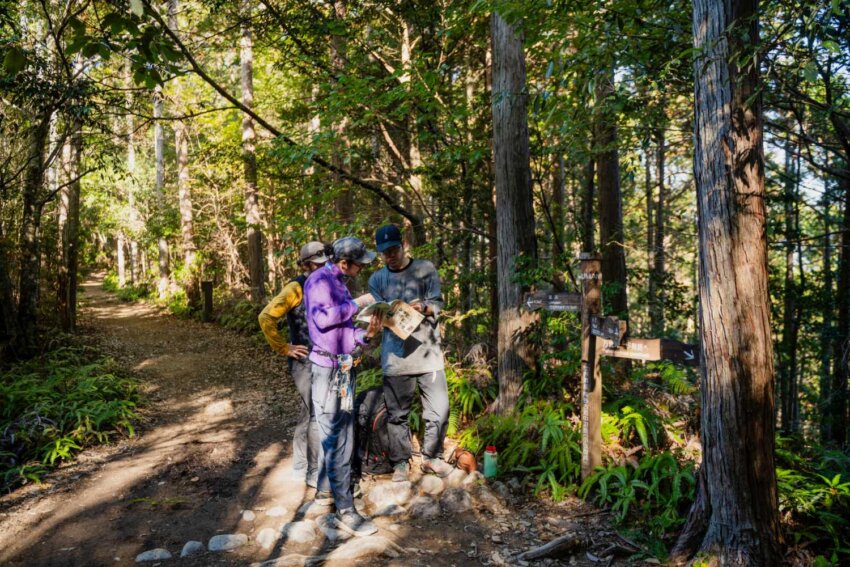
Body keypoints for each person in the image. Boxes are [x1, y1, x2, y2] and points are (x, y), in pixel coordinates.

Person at [303, 236, 382, 537]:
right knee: (338, 436)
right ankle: (345, 510)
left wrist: (368, 334)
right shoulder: (319, 281)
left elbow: (346, 333)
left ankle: (326, 492)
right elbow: (323, 320)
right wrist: (358, 304)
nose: (362, 268)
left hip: (344, 367)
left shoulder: (340, 283)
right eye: (359, 264)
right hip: (328, 369)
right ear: (344, 262)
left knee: (343, 430)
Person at [368, 224, 454, 482]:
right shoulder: (377, 280)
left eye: (393, 250)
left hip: (429, 355)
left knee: (438, 409)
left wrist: (424, 307)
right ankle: (400, 462)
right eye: (385, 253)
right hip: (396, 358)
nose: (390, 256)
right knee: (397, 414)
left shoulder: (425, 269)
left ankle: (432, 457)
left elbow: (438, 303)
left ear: (403, 245)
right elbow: (378, 312)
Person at [258, 242, 327, 489]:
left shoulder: (325, 284)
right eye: (317, 264)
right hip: (303, 360)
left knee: (308, 412)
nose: (322, 268)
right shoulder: (295, 288)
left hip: (322, 359)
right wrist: (284, 347)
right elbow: (266, 316)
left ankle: (301, 465)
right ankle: (310, 470)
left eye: (324, 263)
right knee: (314, 412)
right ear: (306, 265)